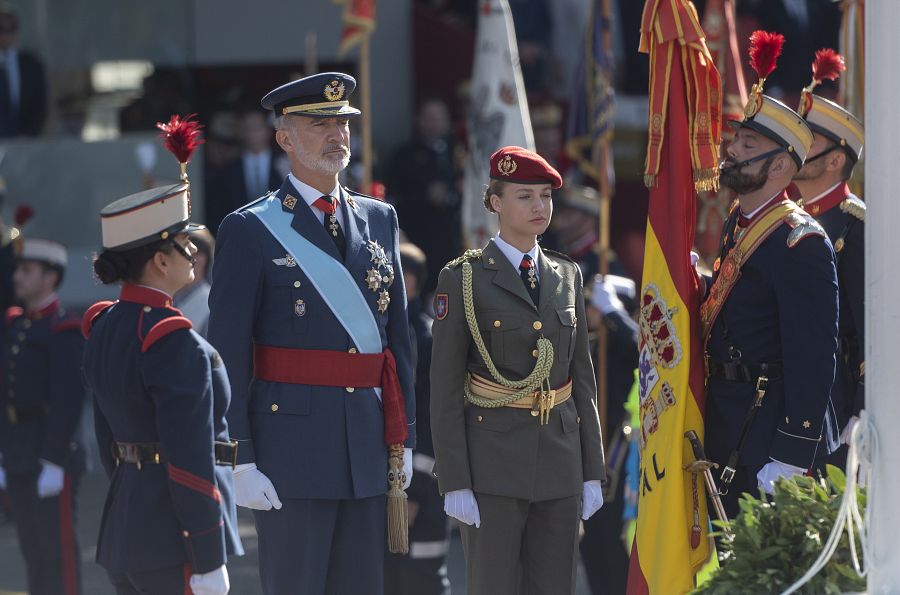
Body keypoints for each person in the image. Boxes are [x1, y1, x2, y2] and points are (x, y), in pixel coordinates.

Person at [207, 72, 415, 595]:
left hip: (366, 445)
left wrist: (403, 435)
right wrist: (238, 457)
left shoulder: (379, 219)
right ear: (284, 138)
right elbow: (228, 350)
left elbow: (399, 341)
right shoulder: (251, 227)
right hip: (289, 451)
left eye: (343, 123)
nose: (336, 135)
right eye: (319, 123)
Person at [430, 146, 606, 595]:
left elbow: (582, 381)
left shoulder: (566, 275)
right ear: (494, 202)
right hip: (492, 465)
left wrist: (592, 470)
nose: (539, 207)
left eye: (545, 196)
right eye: (524, 196)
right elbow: (446, 388)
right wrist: (455, 480)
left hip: (560, 463)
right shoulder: (463, 279)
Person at [82, 183, 242, 595]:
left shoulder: (104, 324)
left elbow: (108, 441)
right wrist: (208, 552)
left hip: (127, 524)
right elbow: (190, 455)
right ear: (159, 261)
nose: (194, 254)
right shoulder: (172, 339)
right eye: (185, 244)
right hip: (175, 540)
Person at [701, 61, 839, 518]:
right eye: (735, 139)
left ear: (780, 165)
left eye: (748, 144)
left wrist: (792, 454)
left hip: (766, 432)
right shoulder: (739, 223)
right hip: (727, 418)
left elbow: (814, 356)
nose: (731, 150)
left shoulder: (800, 242)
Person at [0, 233, 84, 595]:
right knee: (32, 552)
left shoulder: (62, 328)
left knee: (58, 552)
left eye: (27, 270)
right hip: (18, 451)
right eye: (18, 269)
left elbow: (67, 400)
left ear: (51, 277)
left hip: (51, 454)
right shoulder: (17, 325)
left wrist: (54, 460)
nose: (18, 277)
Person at [791, 64, 865, 471]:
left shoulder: (854, 226)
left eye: (810, 139)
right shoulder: (790, 221)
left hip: (838, 406)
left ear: (836, 158)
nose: (797, 146)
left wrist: (863, 409)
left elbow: (872, 331)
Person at [385, 242, 451, 595]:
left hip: (418, 488)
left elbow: (430, 420)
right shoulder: (377, 332)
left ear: (409, 282)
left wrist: (414, 492)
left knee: (420, 579)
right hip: (382, 483)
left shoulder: (426, 338)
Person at [580, 274, 639, 595]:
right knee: (593, 552)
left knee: (618, 555)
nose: (591, 312)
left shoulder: (626, 340)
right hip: (588, 453)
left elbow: (642, 351)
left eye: (596, 306)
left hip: (621, 456)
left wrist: (615, 315)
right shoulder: (590, 344)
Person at [387, 96, 463, 296]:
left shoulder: (460, 152)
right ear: (419, 120)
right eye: (429, 117)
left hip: (455, 239)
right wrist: (425, 197)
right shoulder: (405, 155)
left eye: (439, 117)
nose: (435, 122)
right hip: (421, 239)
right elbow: (394, 200)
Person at [206, 109, 285, 234]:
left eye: (256, 128)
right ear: (241, 132)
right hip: (240, 235)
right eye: (248, 128)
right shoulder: (228, 171)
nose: (252, 133)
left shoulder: (284, 165)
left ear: (267, 131)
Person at [0, 2, 48, 137]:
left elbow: (40, 107)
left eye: (11, 29)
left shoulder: (32, 65)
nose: (5, 35)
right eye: (1, 29)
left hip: (24, 144)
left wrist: (27, 136)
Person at [174, 227, 214, 337]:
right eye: (184, 249)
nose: (192, 256)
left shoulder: (210, 301)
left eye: (199, 252)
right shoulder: (170, 294)